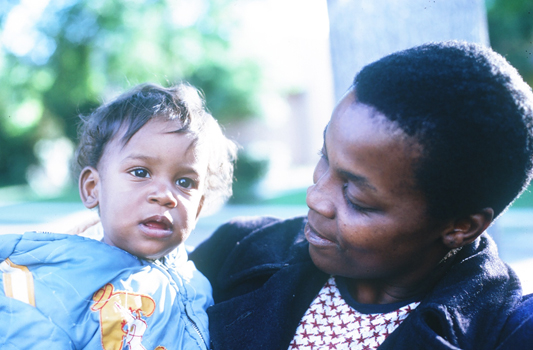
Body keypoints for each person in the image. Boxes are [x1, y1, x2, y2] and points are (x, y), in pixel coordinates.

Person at [190, 41, 533, 349]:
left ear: (460, 226)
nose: (315, 198)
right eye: (324, 157)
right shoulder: (239, 250)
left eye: (357, 198)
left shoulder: (506, 335)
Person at [0, 83, 237, 349]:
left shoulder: (203, 279)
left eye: (184, 182)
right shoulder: (60, 281)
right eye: (140, 172)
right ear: (93, 188)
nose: (165, 195)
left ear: (199, 207)